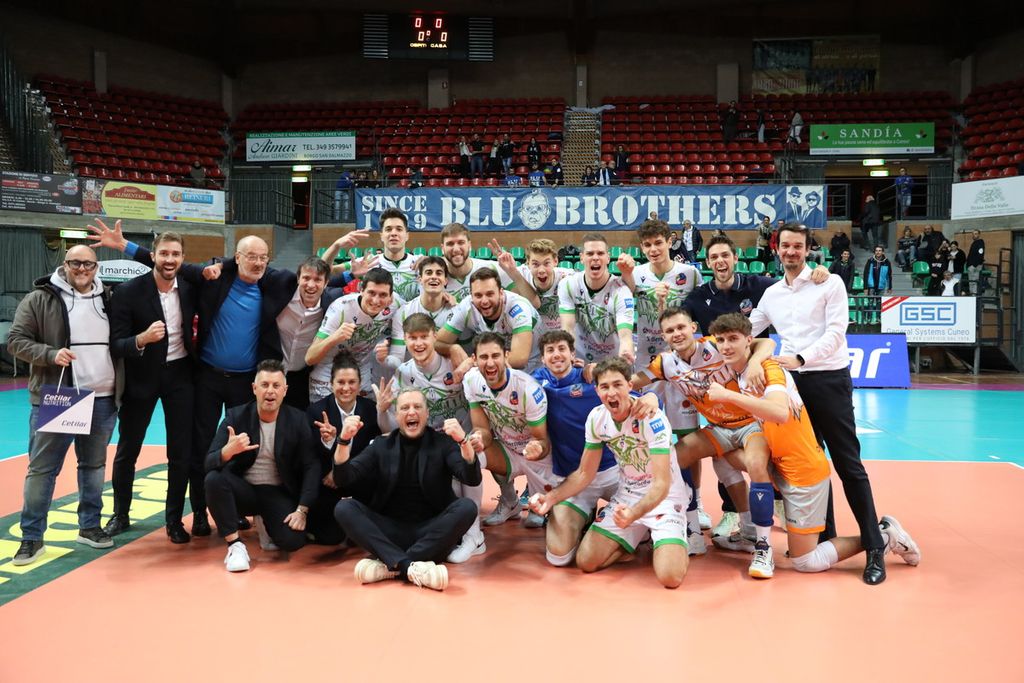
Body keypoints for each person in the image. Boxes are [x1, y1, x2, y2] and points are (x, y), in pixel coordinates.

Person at [705, 313, 921, 578]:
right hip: (779, 465)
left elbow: (779, 412)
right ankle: (751, 531)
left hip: (803, 472)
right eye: (721, 340)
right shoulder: (744, 370)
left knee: (805, 562)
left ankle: (885, 534)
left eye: (733, 339)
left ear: (748, 340)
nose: (726, 346)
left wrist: (727, 395)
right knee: (722, 454)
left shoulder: (770, 371)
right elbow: (764, 343)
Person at [749, 223, 889, 585]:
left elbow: (837, 332)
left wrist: (800, 358)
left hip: (828, 379)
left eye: (798, 246)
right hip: (794, 387)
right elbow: (746, 329)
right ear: (776, 249)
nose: (791, 251)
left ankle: (875, 546)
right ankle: (826, 537)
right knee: (812, 464)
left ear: (808, 249)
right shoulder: (772, 294)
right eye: (785, 246)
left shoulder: (830, 283)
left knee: (848, 465)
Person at [681, 235, 828, 538]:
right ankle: (732, 511)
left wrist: (816, 273)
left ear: (735, 258)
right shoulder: (697, 298)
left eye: (725, 255)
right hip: (724, 387)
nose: (720, 261)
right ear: (707, 263)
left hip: (757, 380)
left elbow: (792, 285)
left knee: (771, 445)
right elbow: (680, 329)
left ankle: (780, 502)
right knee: (723, 449)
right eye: (714, 257)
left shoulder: (759, 285)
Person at [531, 358, 691, 589]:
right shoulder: (597, 418)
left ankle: (674, 535)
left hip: (664, 499)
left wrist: (634, 514)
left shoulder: (651, 417)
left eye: (617, 385)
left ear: (629, 385)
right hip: (627, 496)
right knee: (586, 562)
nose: (611, 392)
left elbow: (661, 484)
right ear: (597, 391)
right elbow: (584, 473)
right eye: (605, 387)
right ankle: (636, 538)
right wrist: (550, 498)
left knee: (670, 577)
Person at [8, 244, 121, 565]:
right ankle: (32, 537)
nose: (82, 269)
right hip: (61, 396)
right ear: (65, 264)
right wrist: (49, 354)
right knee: (43, 469)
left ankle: (89, 526)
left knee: (94, 467)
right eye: (75, 263)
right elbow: (15, 340)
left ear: (97, 268)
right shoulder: (40, 298)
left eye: (88, 264)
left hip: (103, 397)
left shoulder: (109, 299)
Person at [104, 232, 206, 543]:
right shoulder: (128, 292)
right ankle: (120, 513)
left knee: (181, 452)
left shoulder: (189, 288)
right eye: (164, 253)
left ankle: (174, 520)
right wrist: (141, 339)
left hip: (181, 376)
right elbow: (116, 344)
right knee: (128, 449)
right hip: (141, 377)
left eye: (175, 254)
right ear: (153, 256)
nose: (169, 260)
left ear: (182, 258)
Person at [333, 389, 481, 591]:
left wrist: (463, 441)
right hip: (390, 532)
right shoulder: (381, 445)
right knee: (344, 508)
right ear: (396, 416)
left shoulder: (443, 443)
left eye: (417, 407)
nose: (411, 412)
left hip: (431, 533)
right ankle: (410, 567)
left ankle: (392, 564)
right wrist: (343, 441)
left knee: (467, 507)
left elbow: (471, 478)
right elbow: (343, 478)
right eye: (405, 408)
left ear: (427, 414)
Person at [378, 313, 483, 563]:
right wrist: (382, 410)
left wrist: (478, 434)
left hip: (465, 439)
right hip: (431, 447)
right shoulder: (403, 373)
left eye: (424, 337)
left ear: (435, 336)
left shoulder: (454, 363)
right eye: (412, 338)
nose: (419, 343)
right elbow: (391, 428)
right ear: (405, 340)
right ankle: (451, 531)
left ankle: (475, 536)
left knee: (470, 462)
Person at [204, 360, 320, 572]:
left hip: (277, 492)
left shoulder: (298, 420)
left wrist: (302, 510)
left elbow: (311, 466)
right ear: (254, 388)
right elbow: (208, 462)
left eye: (276, 386)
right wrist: (227, 451)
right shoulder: (236, 417)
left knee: (293, 541)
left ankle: (265, 520)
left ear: (285, 391)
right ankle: (235, 545)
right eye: (264, 385)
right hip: (244, 490)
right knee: (213, 479)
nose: (270, 391)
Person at [464, 332, 555, 529]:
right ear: (474, 359)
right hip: (507, 449)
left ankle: (538, 499)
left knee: (536, 521)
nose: (490, 363)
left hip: (537, 457)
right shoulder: (471, 381)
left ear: (506, 355)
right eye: (484, 357)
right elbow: (482, 429)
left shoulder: (528, 389)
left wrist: (537, 448)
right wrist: (478, 438)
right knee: (470, 455)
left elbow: (542, 440)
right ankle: (482, 521)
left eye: (495, 356)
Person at [306, 353, 381, 545]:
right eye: (340, 382)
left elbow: (374, 451)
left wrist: (343, 472)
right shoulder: (316, 411)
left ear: (360, 384)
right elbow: (311, 457)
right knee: (331, 537)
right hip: (328, 483)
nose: (346, 388)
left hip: (360, 480)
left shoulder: (371, 410)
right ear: (331, 384)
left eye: (351, 382)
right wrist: (329, 442)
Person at [305, 268, 397, 400]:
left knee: (367, 411)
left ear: (390, 297)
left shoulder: (395, 305)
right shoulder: (340, 308)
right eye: (371, 293)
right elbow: (309, 358)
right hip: (329, 373)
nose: (376, 301)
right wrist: (335, 337)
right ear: (361, 289)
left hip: (361, 371)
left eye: (383, 295)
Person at [436, 267, 540, 370]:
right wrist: (452, 348)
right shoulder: (466, 307)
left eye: (490, 294)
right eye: (478, 295)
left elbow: (520, 359)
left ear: (501, 293)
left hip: (533, 366)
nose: (484, 301)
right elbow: (436, 342)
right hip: (494, 365)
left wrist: (472, 362)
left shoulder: (518, 308)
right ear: (471, 296)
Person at [558, 233, 636, 365]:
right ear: (581, 258)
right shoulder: (568, 284)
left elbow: (625, 337)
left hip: (613, 362)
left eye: (600, 253)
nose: (595, 257)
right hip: (579, 360)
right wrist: (569, 356)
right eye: (590, 253)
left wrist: (626, 353)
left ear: (608, 258)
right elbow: (567, 328)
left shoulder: (621, 291)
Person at [438, 223, 538, 304]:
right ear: (442, 248)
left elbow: (534, 303)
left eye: (461, 242)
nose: (456, 249)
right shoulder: (435, 277)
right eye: (450, 244)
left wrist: (513, 272)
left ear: (469, 245)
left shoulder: (491, 268)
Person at [387, 255, 456, 367]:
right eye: (429, 273)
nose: (434, 277)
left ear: (445, 281)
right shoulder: (403, 313)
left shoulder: (456, 311)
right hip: (413, 374)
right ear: (420, 280)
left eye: (439, 273)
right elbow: (397, 357)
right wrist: (384, 360)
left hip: (446, 374)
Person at [518, 238, 575, 334]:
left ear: (555, 261)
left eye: (546, 263)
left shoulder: (569, 277)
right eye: (535, 264)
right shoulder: (520, 275)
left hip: (562, 335)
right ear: (528, 263)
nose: (541, 270)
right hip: (534, 336)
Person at [966, 230, 986, 295]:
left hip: (975, 266)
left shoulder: (980, 242)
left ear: (979, 234)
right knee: (971, 282)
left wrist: (974, 265)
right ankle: (972, 295)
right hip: (971, 265)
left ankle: (974, 297)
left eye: (976, 234)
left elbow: (980, 254)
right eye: (973, 234)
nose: (974, 235)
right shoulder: (974, 243)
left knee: (974, 281)